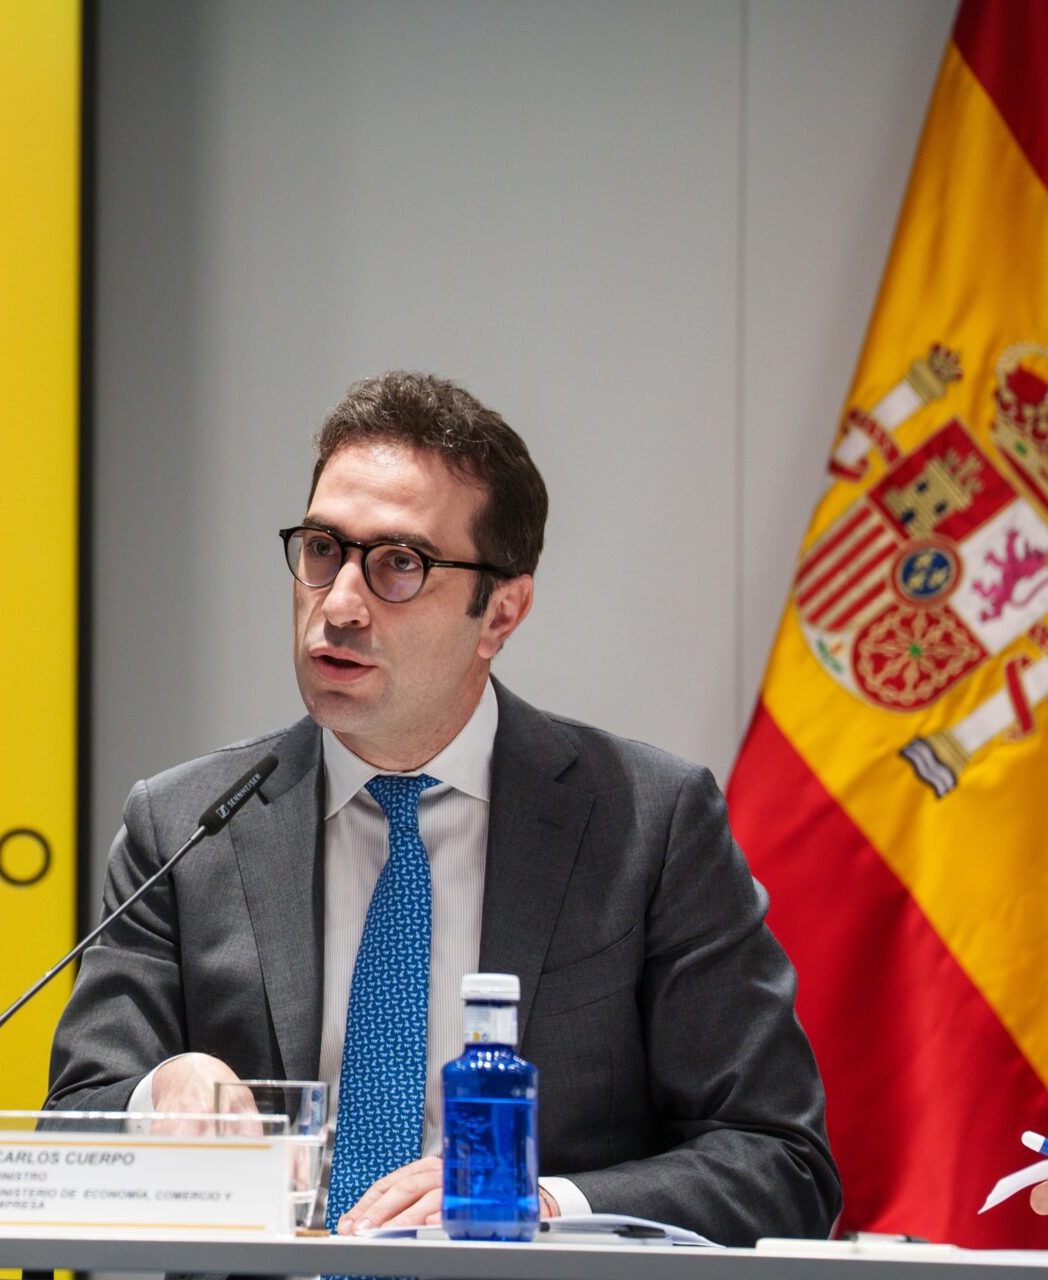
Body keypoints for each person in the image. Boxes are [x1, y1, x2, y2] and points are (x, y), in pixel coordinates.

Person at [46, 371, 841, 1247]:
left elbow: (780, 1162)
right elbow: (71, 1126)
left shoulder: (648, 827)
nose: (339, 605)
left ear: (501, 613)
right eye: (322, 549)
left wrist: (538, 1205)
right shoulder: (187, 827)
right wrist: (158, 1095)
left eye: (400, 564)